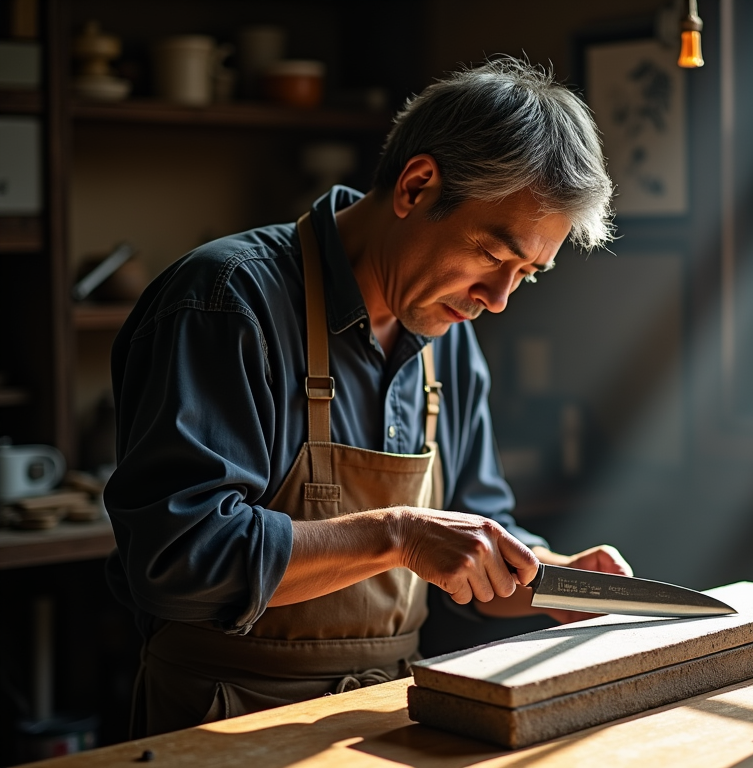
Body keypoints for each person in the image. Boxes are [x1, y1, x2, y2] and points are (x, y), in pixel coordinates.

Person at [103, 56, 631, 737]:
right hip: (220, 715)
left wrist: (558, 580)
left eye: (525, 275)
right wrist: (398, 534)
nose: (498, 300)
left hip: (388, 716)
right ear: (416, 186)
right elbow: (177, 562)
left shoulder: (448, 333)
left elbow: (472, 545)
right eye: (494, 256)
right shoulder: (226, 302)